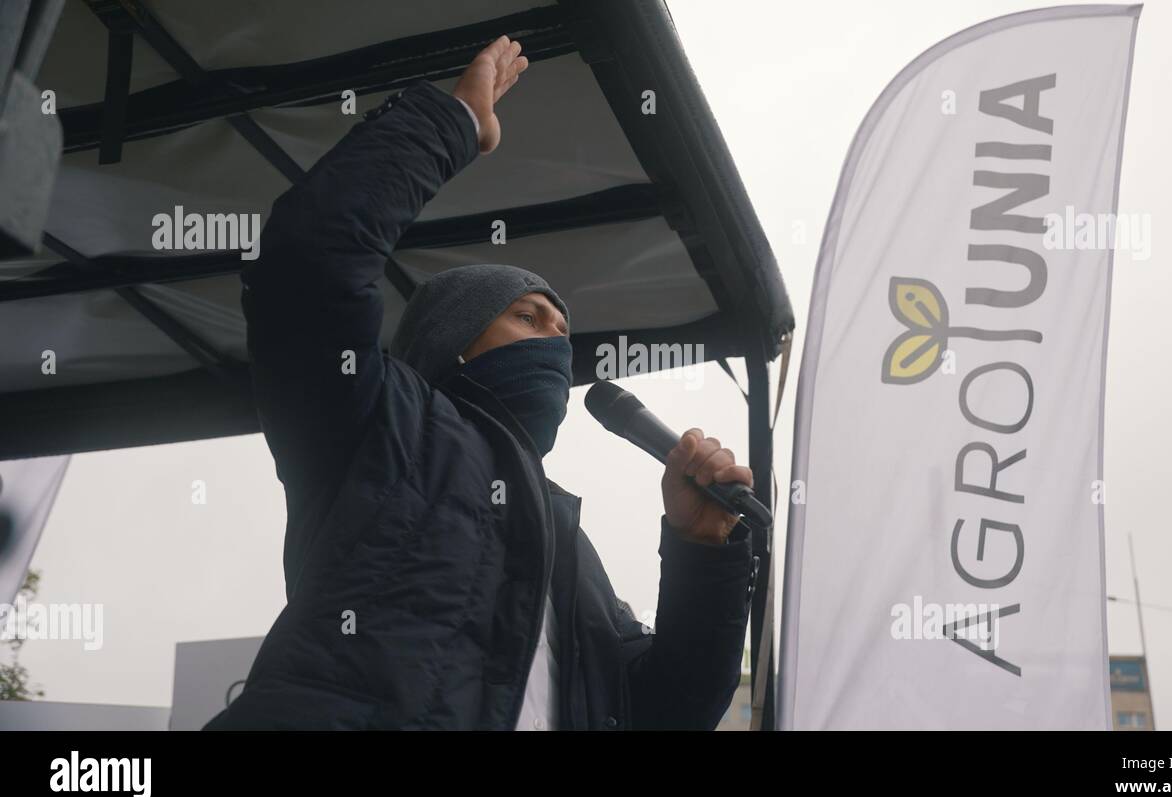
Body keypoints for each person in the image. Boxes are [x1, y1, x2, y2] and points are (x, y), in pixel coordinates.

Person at [203, 36, 758, 730]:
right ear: (452, 344)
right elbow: (308, 262)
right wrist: (451, 122)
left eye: (562, 330)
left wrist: (702, 550)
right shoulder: (380, 421)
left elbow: (664, 712)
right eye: (528, 316)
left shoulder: (567, 542)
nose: (556, 340)